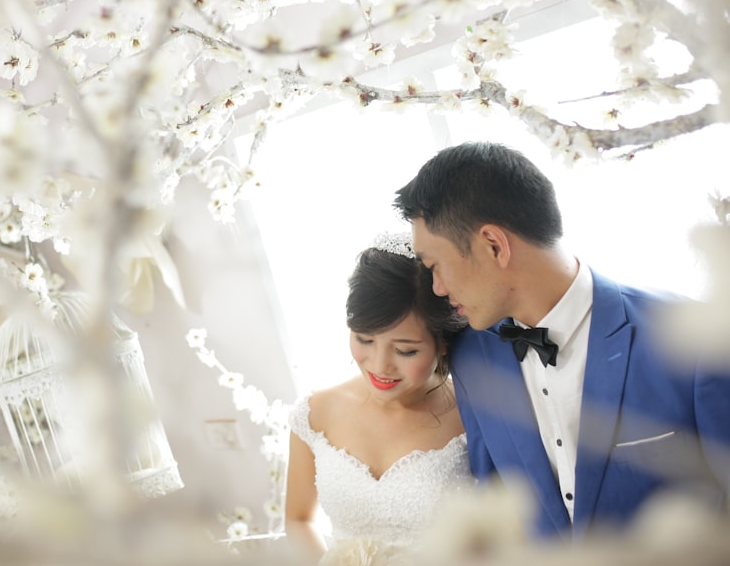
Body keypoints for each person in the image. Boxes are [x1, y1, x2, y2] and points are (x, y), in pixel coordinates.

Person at [392, 141, 730, 540]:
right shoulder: (471, 359)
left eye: (435, 265)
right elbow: (495, 513)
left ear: (493, 245)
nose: (437, 287)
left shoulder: (693, 340)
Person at [285, 232, 473, 564]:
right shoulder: (316, 413)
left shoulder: (471, 414)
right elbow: (298, 519)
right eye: (364, 339)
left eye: (405, 350)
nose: (379, 365)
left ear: (442, 343)